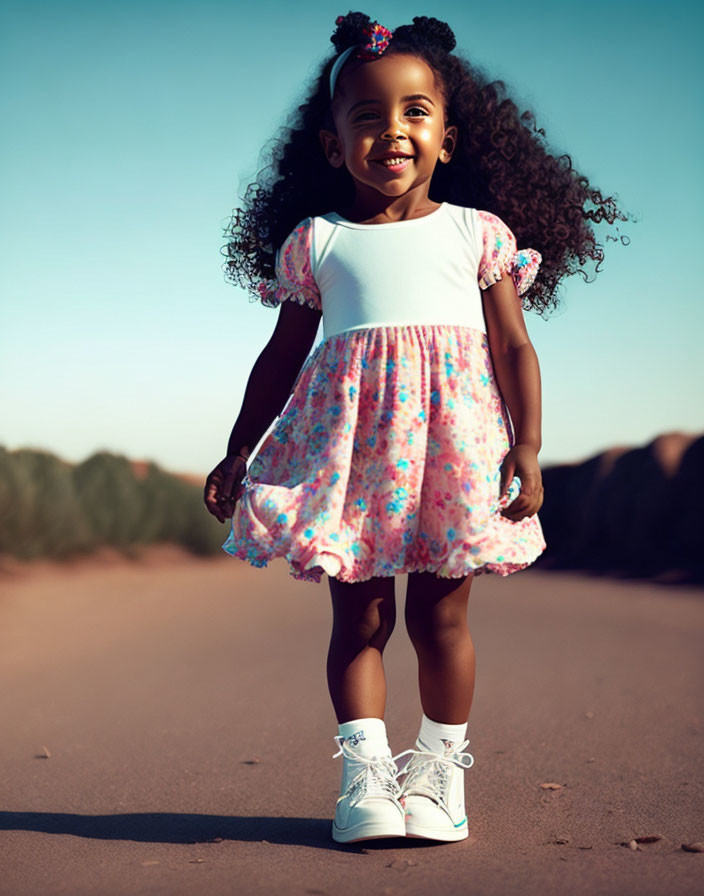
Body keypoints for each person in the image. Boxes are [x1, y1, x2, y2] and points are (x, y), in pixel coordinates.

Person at [204, 12, 632, 844]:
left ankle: (439, 777)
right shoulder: (318, 243)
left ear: (447, 137)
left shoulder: (480, 235)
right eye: (365, 115)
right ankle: (364, 780)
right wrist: (237, 446)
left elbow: (513, 344)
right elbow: (280, 357)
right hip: (350, 456)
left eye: (413, 112)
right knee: (360, 623)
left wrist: (529, 443)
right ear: (333, 145)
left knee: (442, 620)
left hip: (456, 452)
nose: (391, 130)